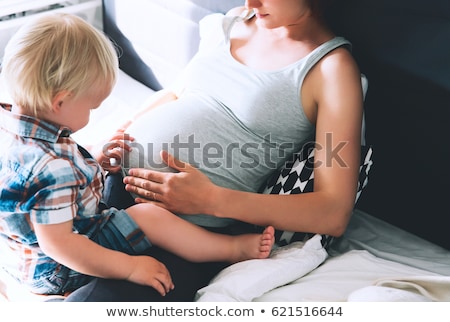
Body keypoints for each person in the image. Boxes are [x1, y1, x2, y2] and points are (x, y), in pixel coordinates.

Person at [66, 0, 365, 301]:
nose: (250, 3)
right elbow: (176, 93)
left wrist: (211, 199)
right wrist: (119, 136)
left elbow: (333, 212)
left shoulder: (331, 70)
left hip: (187, 236)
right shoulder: (234, 21)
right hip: (111, 186)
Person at [0, 12, 276, 297]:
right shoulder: (51, 168)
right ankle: (232, 249)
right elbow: (61, 245)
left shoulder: (15, 129)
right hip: (59, 267)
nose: (91, 113)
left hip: (22, 258)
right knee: (150, 217)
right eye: (91, 107)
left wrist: (93, 157)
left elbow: (38, 189)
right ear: (60, 101)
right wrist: (129, 267)